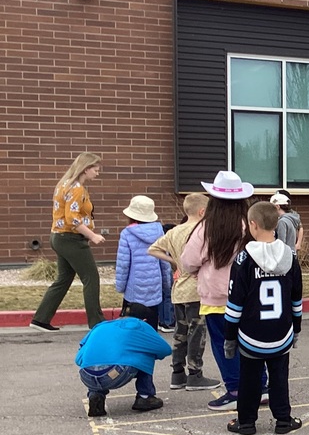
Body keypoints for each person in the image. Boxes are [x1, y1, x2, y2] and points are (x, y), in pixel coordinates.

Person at [180, 170, 266, 411]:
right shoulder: (250, 225)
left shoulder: (206, 228)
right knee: (253, 343)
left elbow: (188, 261)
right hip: (249, 295)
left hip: (217, 297)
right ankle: (261, 386)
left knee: (224, 344)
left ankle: (236, 390)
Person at [222, 202, 303, 435]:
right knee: (279, 378)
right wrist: (296, 329)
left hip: (251, 334)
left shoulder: (243, 259)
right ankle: (283, 420)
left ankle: (246, 422)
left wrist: (230, 337)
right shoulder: (290, 257)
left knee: (249, 379)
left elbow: (235, 304)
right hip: (282, 332)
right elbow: (296, 299)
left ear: (253, 225)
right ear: (276, 224)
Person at [148, 193, 219, 391]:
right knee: (197, 332)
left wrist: (174, 262)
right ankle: (195, 373)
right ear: (202, 211)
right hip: (196, 289)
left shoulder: (174, 232)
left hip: (179, 290)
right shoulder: (203, 230)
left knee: (180, 332)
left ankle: (177, 373)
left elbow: (152, 249)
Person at [31, 152, 106, 331]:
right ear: (86, 169)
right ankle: (97, 323)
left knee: (64, 279)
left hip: (58, 237)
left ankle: (40, 319)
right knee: (91, 278)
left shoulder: (64, 184)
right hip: (71, 239)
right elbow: (72, 218)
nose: (97, 173)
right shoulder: (77, 188)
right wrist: (92, 235)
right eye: (96, 170)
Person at [77, 309, 171, 417]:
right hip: (114, 373)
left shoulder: (100, 326)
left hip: (87, 375)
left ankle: (95, 394)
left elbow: (79, 358)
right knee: (147, 352)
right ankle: (145, 396)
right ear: (144, 320)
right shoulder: (139, 325)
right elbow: (165, 349)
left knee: (95, 360)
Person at [114, 195, 172, 330]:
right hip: (154, 286)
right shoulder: (159, 231)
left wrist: (120, 286)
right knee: (152, 323)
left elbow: (123, 264)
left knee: (132, 326)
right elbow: (164, 261)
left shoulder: (127, 234)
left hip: (134, 288)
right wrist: (166, 283)